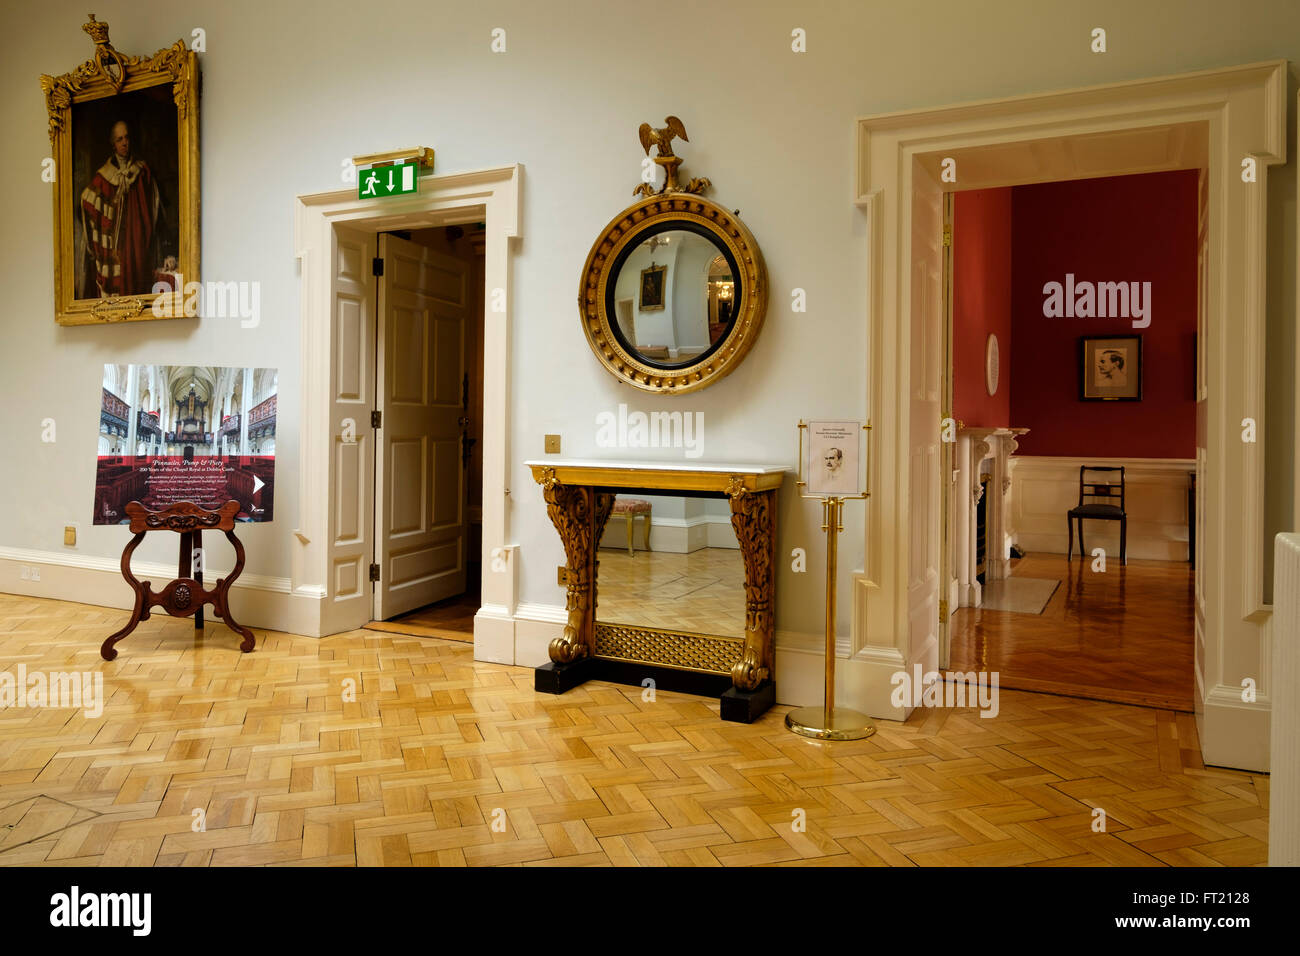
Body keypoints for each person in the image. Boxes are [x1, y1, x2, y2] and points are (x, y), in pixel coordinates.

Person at [80, 120, 167, 297]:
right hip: (116, 248)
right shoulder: (104, 176)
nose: (124, 143)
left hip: (137, 245)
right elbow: (87, 198)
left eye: (126, 137)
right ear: (113, 143)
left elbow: (154, 205)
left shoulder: (141, 172)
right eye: (119, 139)